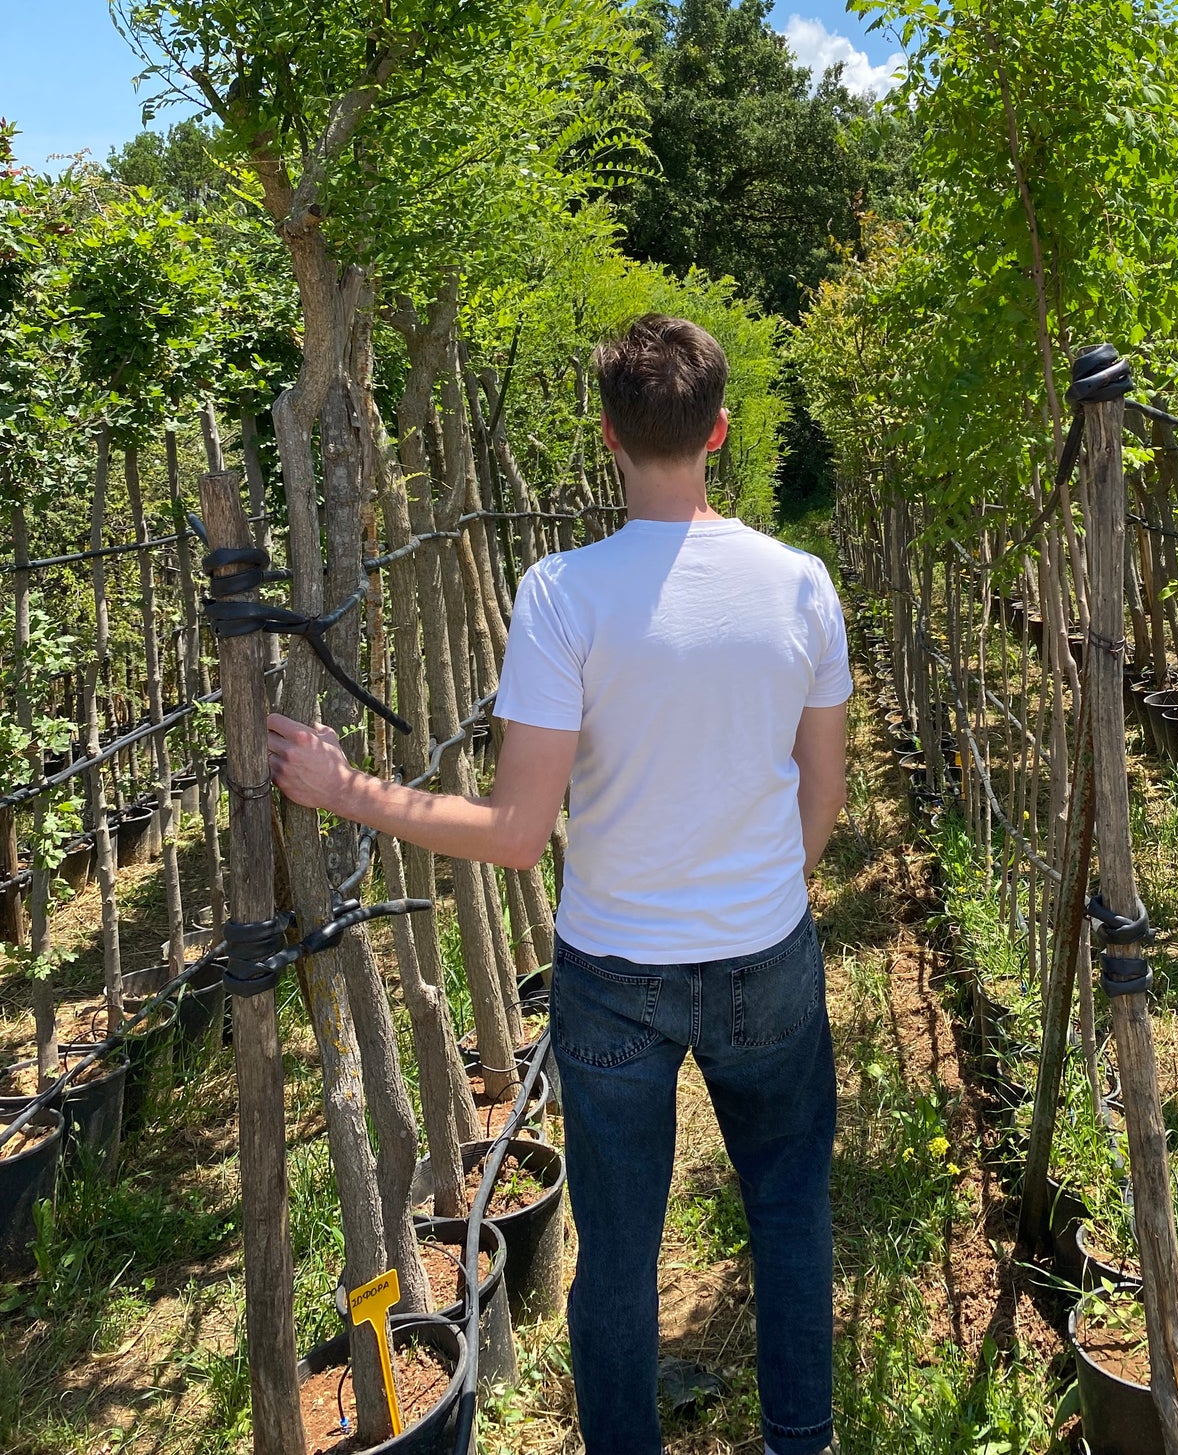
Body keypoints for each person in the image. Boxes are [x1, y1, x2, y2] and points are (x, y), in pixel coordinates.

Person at [268, 313, 850, 1455]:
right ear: (718, 432)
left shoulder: (561, 593)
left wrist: (348, 792)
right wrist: (757, 895)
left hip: (614, 977)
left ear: (606, 438)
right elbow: (819, 791)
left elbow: (516, 831)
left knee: (619, 1252)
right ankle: (801, 1439)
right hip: (763, 960)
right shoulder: (798, 585)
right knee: (789, 1213)